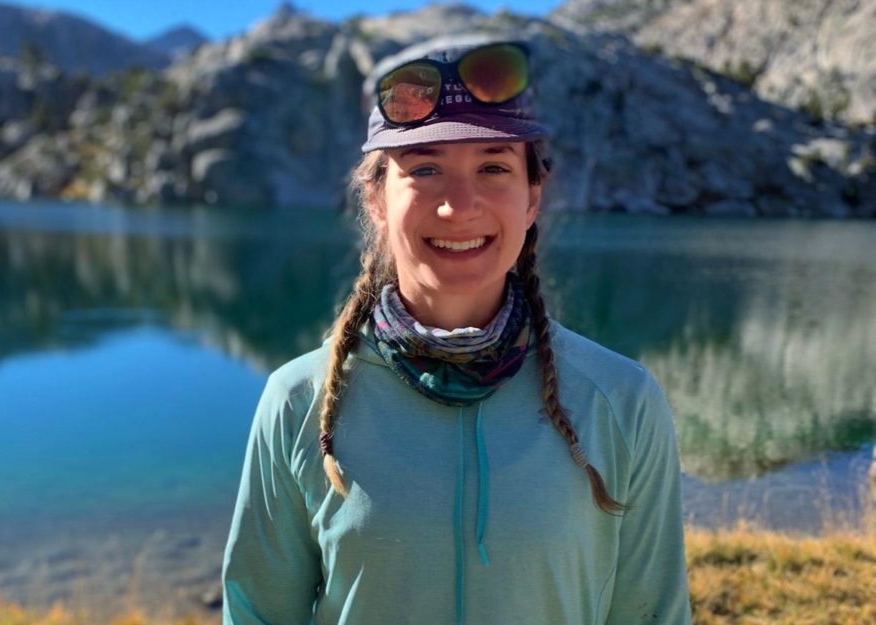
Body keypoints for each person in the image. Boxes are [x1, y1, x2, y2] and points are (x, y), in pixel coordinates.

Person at [221, 34, 692, 625]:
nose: (458, 205)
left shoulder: (620, 401)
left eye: (494, 167)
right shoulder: (299, 403)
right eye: (425, 168)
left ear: (531, 198)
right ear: (377, 200)